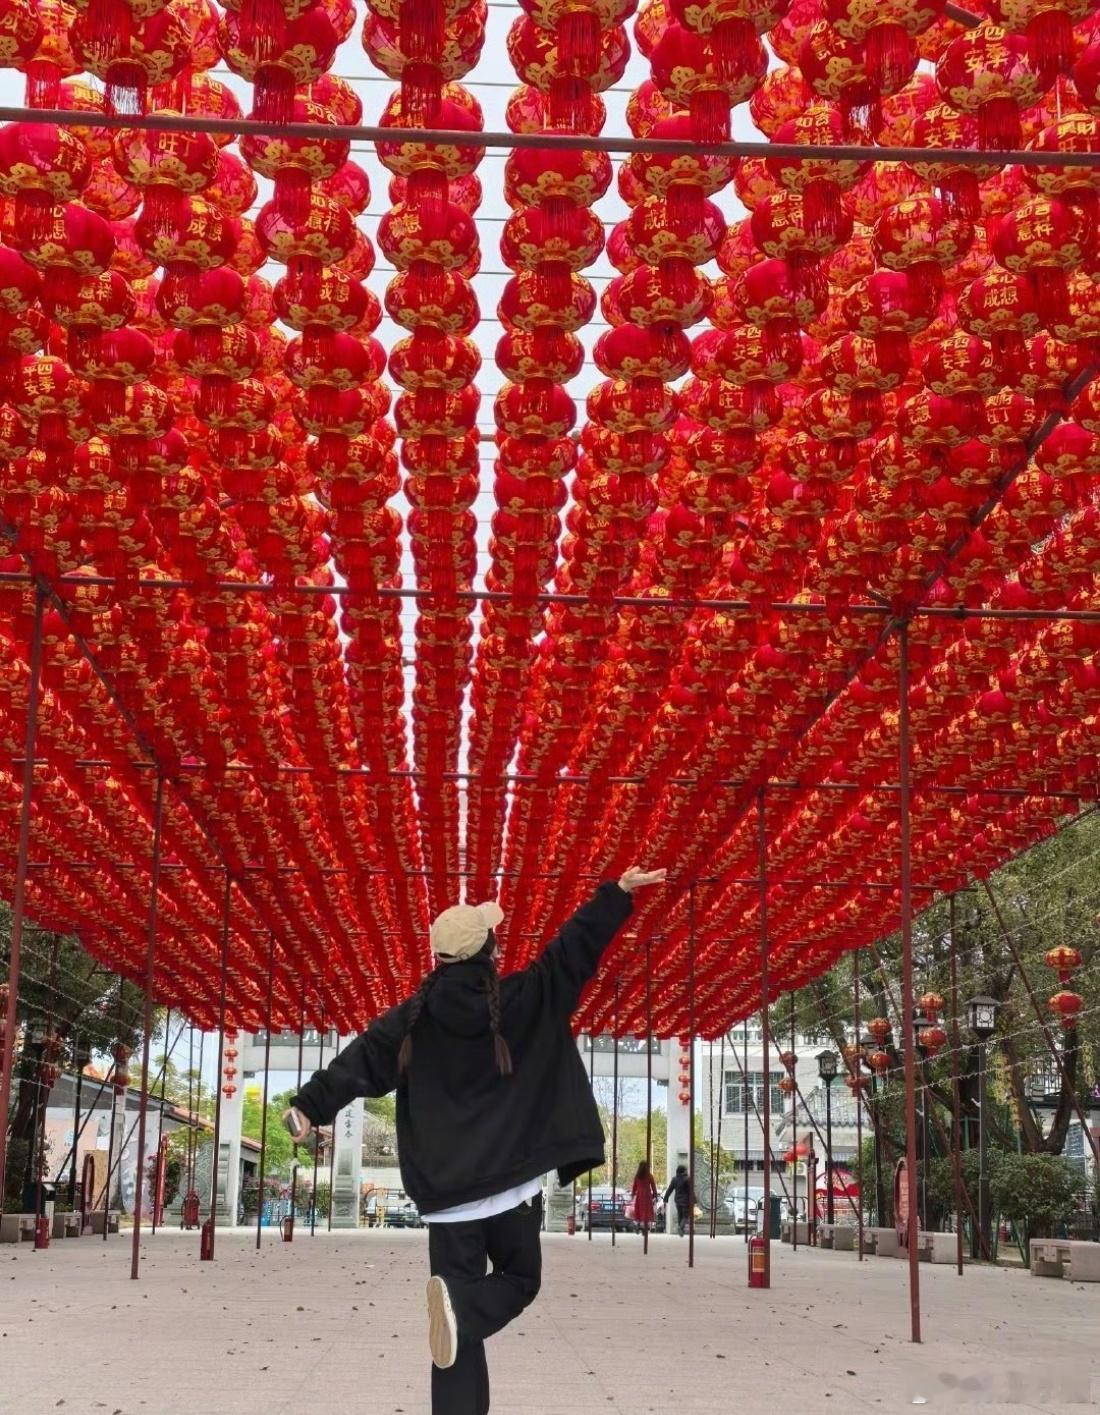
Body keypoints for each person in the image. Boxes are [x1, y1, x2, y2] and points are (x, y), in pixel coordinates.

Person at [284, 864, 666, 1415]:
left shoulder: (409, 1020)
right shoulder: (523, 996)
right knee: (515, 1282)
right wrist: (617, 894)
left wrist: (307, 1106)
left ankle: (459, 1322)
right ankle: (462, 1306)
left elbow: (358, 1062)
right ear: (489, 948)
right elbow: (571, 952)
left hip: (447, 1201)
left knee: (456, 1334)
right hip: (510, 1191)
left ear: (438, 958)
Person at [630, 1160, 659, 1238]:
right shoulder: (649, 1175)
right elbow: (653, 1186)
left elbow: (634, 1187)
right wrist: (655, 1195)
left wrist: (632, 1195)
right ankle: (644, 1230)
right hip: (647, 1196)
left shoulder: (637, 1176)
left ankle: (638, 1224)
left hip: (639, 1196)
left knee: (639, 1211)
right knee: (646, 1213)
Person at [664, 1164, 693, 1237]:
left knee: (680, 1215)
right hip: (686, 1201)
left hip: (677, 1200)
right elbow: (691, 1191)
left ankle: (681, 1230)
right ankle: (681, 1227)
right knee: (685, 1216)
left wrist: (665, 1198)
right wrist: (694, 1200)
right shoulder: (687, 1179)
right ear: (684, 1171)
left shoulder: (674, 1179)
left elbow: (669, 1189)